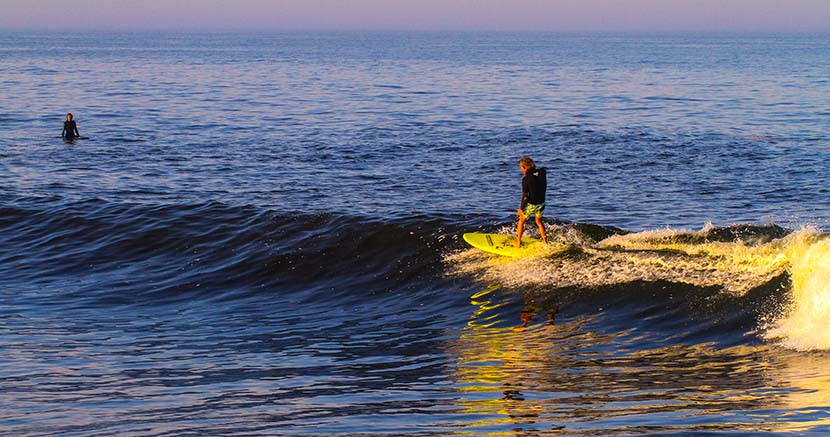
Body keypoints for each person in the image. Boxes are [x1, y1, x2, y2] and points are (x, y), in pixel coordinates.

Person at [516, 156, 547, 247]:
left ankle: (518, 242)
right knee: (538, 221)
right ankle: (545, 241)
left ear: (525, 167)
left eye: (521, 168)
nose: (521, 170)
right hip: (541, 203)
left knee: (521, 220)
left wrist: (521, 208)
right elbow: (542, 171)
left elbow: (525, 196)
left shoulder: (526, 179)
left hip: (532, 204)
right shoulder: (542, 172)